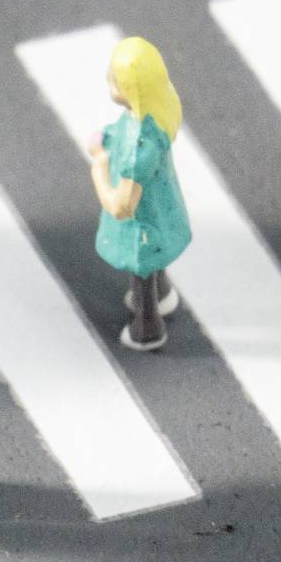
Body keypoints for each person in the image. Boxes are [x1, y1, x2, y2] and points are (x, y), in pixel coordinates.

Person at [90, 36, 191, 351]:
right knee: (153, 260)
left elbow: (122, 207)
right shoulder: (156, 114)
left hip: (142, 222)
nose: (109, 82)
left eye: (115, 79)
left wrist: (99, 169)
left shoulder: (140, 150)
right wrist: (107, 137)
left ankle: (147, 328)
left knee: (141, 264)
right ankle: (162, 295)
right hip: (163, 206)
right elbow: (123, 131)